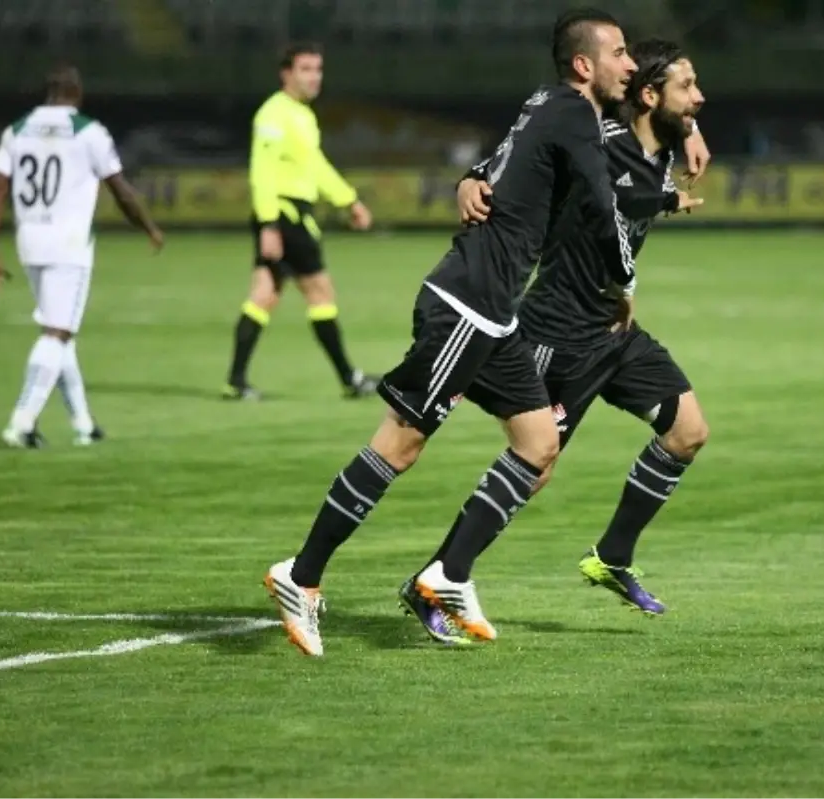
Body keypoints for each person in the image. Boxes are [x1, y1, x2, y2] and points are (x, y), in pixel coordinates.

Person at [263, 8, 638, 656]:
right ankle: (301, 575)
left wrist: (470, 179)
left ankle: (447, 573)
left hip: (495, 315)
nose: (629, 64)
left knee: (539, 441)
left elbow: (496, 163)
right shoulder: (573, 112)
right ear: (585, 64)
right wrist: (623, 282)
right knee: (401, 444)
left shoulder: (548, 103)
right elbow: (604, 208)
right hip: (467, 304)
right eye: (620, 53)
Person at [412, 38, 710, 640]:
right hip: (558, 331)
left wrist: (692, 130)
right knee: (535, 462)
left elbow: (654, 161)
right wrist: (471, 177)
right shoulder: (607, 148)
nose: (699, 97)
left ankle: (612, 557)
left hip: (615, 333)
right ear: (650, 96)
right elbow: (611, 193)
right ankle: (438, 578)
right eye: (687, 89)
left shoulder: (661, 148)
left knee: (687, 431)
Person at [0, 63, 163, 448]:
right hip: (69, 244)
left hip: (29, 239)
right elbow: (121, 189)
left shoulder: (16, 130)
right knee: (57, 332)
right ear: (78, 94)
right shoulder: (89, 132)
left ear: (47, 93)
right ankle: (21, 423)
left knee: (59, 332)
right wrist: (147, 226)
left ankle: (83, 423)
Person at [224, 42, 378, 401]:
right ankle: (349, 378)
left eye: (318, 69)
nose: (314, 76)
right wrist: (269, 225)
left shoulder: (302, 115)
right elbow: (261, 172)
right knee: (321, 293)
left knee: (263, 296)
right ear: (286, 73)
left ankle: (235, 379)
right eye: (305, 69)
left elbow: (315, 166)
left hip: (284, 215)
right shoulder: (273, 115)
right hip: (284, 215)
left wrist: (348, 199)